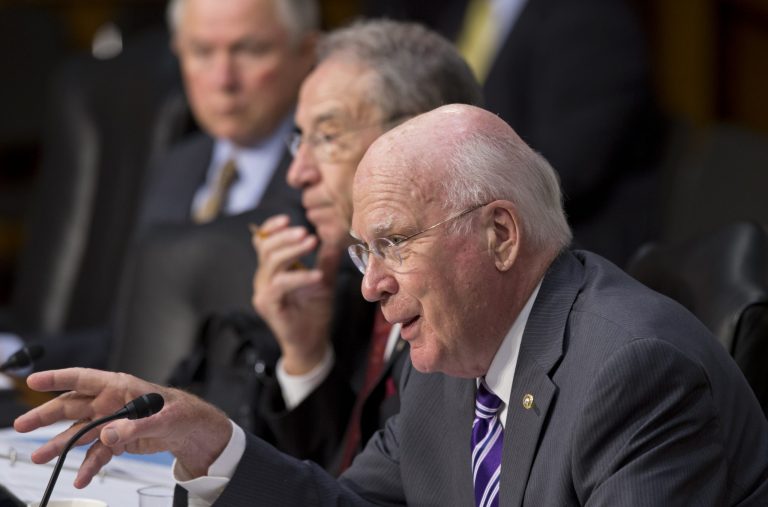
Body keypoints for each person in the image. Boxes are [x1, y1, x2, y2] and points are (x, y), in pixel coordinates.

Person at [14, 104, 768, 505]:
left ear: (500, 232)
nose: (371, 283)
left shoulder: (633, 373)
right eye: (362, 253)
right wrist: (214, 444)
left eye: (394, 243)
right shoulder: (449, 361)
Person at [249, 19, 482, 472]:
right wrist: (306, 355)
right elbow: (349, 484)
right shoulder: (341, 291)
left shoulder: (471, 306)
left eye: (327, 137)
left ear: (420, 137)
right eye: (300, 139)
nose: (297, 173)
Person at [108, 0, 320, 381]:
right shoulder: (178, 164)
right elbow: (134, 335)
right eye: (202, 52)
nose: (223, 79)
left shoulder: (324, 175)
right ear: (177, 52)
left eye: (250, 50)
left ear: (306, 52)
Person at [364, 0, 665, 266]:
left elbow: (566, 167)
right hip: (467, 230)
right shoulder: (460, 11)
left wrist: (433, 200)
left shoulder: (589, 15)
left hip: (567, 251)